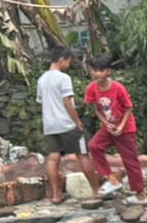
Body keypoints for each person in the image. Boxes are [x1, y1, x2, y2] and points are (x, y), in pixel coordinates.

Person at [35, 46, 100, 205]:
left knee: (53, 158)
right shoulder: (63, 78)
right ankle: (96, 191)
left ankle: (56, 195)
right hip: (67, 124)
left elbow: (40, 101)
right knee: (83, 155)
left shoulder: (42, 79)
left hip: (50, 126)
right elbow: (67, 102)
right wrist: (77, 121)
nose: (69, 65)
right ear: (62, 60)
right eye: (69, 62)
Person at [83, 55, 145, 201]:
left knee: (130, 160)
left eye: (101, 70)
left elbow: (129, 108)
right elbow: (96, 109)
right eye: (95, 70)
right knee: (94, 146)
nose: (97, 73)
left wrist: (121, 126)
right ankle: (111, 178)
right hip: (109, 127)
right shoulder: (92, 88)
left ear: (108, 71)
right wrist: (106, 123)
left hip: (126, 128)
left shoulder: (118, 88)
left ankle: (140, 191)